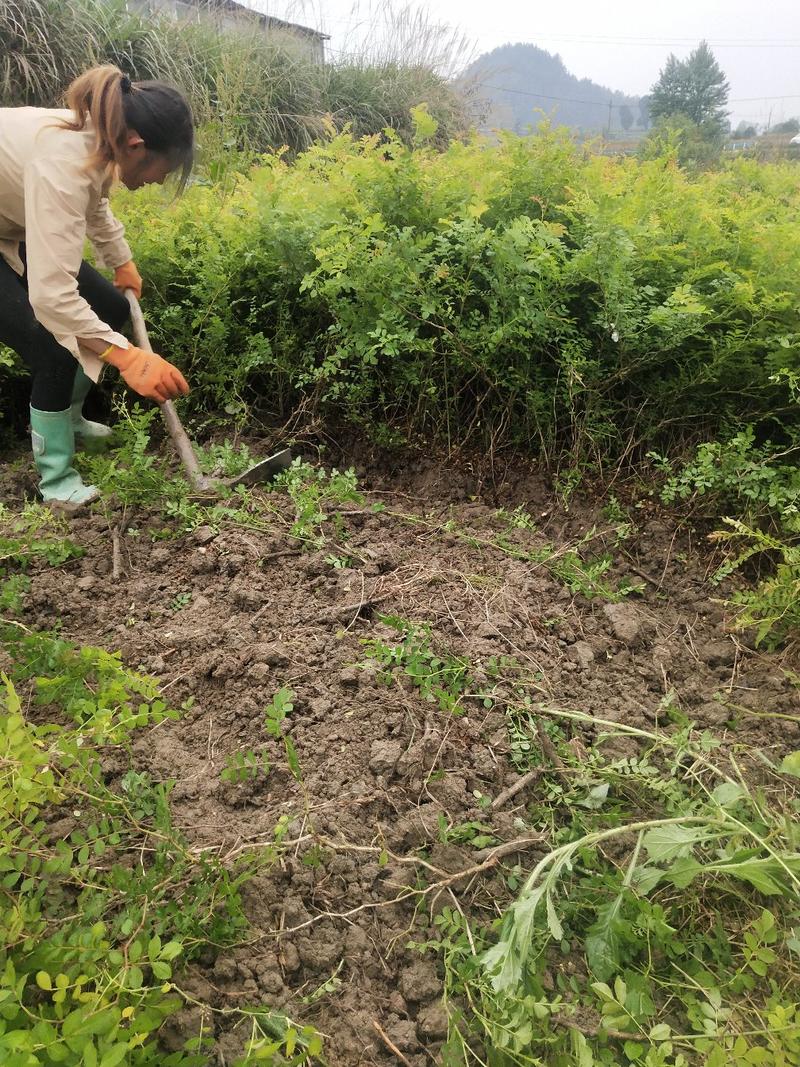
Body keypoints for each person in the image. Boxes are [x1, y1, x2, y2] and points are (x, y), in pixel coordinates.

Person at [0, 64, 193, 507]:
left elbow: (95, 205)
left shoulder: (103, 140)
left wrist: (120, 260)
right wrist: (127, 358)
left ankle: (67, 419)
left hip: (11, 220)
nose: (159, 180)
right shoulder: (62, 163)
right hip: (11, 221)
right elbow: (51, 298)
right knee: (52, 341)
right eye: (163, 169)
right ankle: (57, 480)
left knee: (109, 308)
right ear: (137, 145)